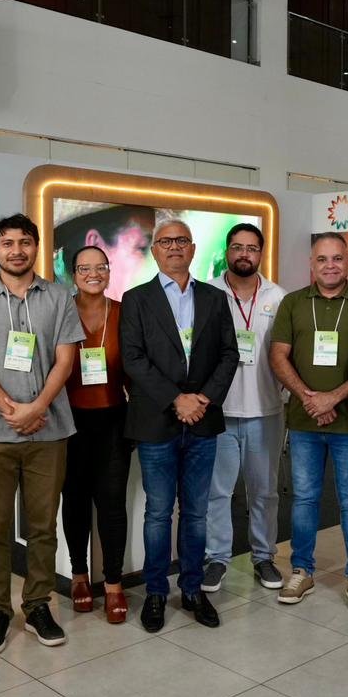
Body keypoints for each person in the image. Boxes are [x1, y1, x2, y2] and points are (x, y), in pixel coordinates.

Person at [0, 213, 84, 654]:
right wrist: (14, 411)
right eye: (7, 243)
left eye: (25, 242)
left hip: (49, 430)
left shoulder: (59, 296)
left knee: (42, 526)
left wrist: (38, 407)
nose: (16, 251)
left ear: (36, 247)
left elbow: (65, 360)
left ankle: (37, 605)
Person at [121, 219, 239, 632]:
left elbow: (229, 354)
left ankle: (191, 589)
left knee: (196, 513)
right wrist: (177, 399)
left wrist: (202, 399)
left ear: (192, 248)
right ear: (154, 250)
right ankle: (156, 592)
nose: (174, 247)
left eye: (182, 240)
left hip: (203, 421)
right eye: (166, 241)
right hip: (157, 421)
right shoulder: (136, 299)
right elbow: (133, 359)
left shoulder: (215, 298)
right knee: (157, 512)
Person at [269, 232, 348, 612]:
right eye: (322, 259)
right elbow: (278, 356)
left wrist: (334, 397)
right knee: (304, 499)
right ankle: (302, 570)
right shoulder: (293, 302)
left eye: (337, 258)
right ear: (311, 264)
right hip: (304, 421)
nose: (330, 265)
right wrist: (310, 398)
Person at [202, 224, 289, 593]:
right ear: (227, 251)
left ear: (260, 254)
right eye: (237, 247)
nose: (244, 254)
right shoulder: (208, 294)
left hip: (266, 410)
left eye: (251, 248)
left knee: (265, 492)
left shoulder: (278, 297)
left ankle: (264, 556)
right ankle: (216, 558)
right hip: (218, 412)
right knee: (217, 492)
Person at [61, 246, 134, 623]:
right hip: (68, 421)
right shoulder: (60, 312)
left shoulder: (124, 313)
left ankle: (114, 583)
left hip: (113, 421)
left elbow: (136, 370)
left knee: (111, 503)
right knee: (74, 500)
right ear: (72, 274)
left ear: (109, 271)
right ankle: (79, 577)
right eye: (84, 268)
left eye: (100, 267)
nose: (93, 273)